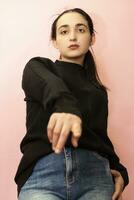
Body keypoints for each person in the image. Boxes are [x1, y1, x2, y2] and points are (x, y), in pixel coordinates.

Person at [14, 7, 129, 200]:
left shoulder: (98, 91)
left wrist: (120, 172)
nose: (73, 37)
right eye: (64, 31)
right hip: (43, 178)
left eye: (81, 30)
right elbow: (51, 86)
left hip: (96, 179)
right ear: (55, 40)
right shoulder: (38, 68)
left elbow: (100, 137)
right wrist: (65, 106)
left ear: (92, 38)